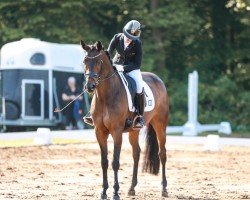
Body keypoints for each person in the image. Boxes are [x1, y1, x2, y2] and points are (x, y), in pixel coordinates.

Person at [84, 20, 145, 128]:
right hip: (116, 65)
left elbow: (137, 63)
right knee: (99, 81)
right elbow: (108, 52)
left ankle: (139, 116)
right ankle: (92, 112)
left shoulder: (138, 44)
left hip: (132, 69)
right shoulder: (117, 37)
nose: (128, 38)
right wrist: (110, 65)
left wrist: (124, 68)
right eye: (127, 36)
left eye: (131, 37)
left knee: (139, 87)